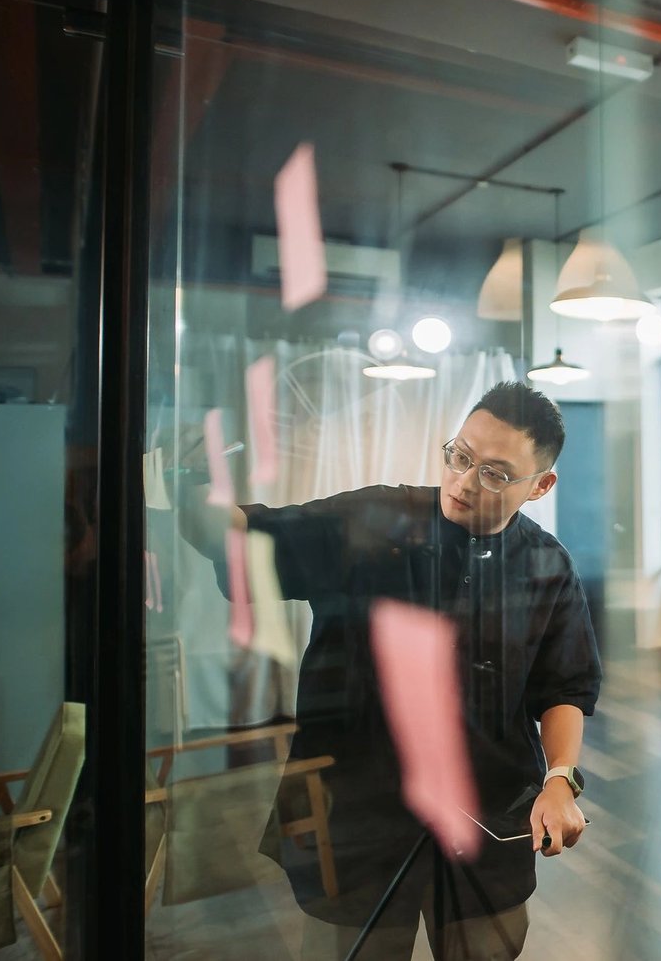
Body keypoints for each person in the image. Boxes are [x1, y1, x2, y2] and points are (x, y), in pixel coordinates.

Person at [171, 380, 601, 960]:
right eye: (460, 457)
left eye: (495, 474)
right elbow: (239, 537)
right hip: (358, 811)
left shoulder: (548, 564)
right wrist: (190, 481)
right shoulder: (373, 519)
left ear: (540, 486)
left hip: (486, 812)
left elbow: (565, 685)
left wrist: (560, 780)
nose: (464, 482)